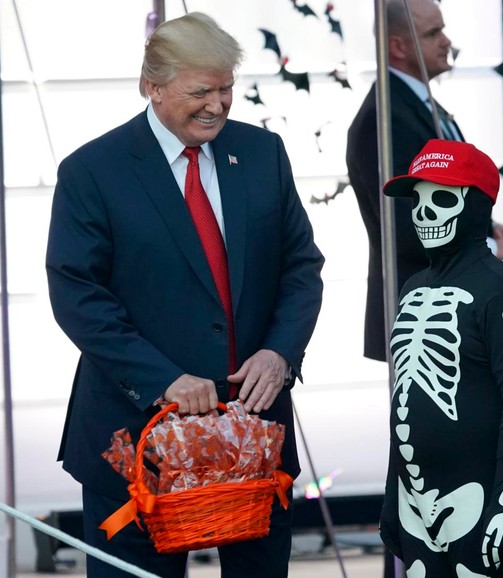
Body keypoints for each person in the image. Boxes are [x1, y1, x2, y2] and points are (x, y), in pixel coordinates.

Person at [45, 12, 324, 578]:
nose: (217, 106)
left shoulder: (263, 153)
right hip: (137, 443)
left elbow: (301, 266)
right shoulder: (93, 171)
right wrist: (162, 378)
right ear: (152, 86)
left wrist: (280, 353)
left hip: (253, 438)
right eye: (201, 92)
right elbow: (78, 294)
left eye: (226, 89)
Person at [379, 138, 503, 577]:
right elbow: (403, 399)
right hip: (414, 498)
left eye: (442, 200)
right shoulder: (412, 288)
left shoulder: (500, 290)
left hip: (480, 500)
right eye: (417, 201)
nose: (422, 214)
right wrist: (393, 494)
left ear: (476, 206)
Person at [346, 0, 503, 363]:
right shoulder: (385, 119)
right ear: (398, 46)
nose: (446, 41)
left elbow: (444, 190)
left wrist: (490, 227)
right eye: (433, 33)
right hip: (422, 316)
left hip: (455, 305)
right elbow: (406, 223)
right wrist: (492, 246)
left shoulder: (417, 104)